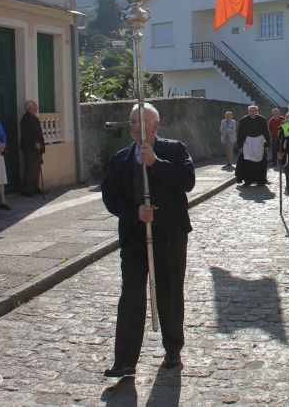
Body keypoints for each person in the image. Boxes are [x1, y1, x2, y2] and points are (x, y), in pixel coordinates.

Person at [101, 103, 195, 377]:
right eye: (132, 122)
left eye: (142, 121)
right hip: (134, 237)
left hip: (169, 235)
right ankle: (125, 360)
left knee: (169, 292)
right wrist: (135, 212)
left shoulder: (175, 150)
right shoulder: (121, 159)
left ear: (156, 125)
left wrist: (155, 163)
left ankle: (173, 350)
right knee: (131, 293)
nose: (135, 126)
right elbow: (111, 197)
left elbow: (187, 181)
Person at [235, 105, 271, 187]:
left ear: (257, 111)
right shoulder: (243, 120)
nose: (252, 112)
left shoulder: (262, 120)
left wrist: (267, 144)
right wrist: (240, 146)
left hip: (259, 143)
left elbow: (266, 132)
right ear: (248, 111)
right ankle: (248, 180)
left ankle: (260, 180)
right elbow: (240, 134)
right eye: (250, 111)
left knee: (260, 162)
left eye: (254, 111)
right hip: (248, 143)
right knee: (248, 162)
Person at [20, 100, 45, 197]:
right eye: (35, 107)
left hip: (37, 149)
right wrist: (34, 143)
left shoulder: (34, 117)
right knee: (30, 169)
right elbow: (26, 135)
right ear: (30, 108)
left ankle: (35, 188)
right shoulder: (26, 119)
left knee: (37, 169)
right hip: (30, 149)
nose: (37, 108)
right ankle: (27, 190)